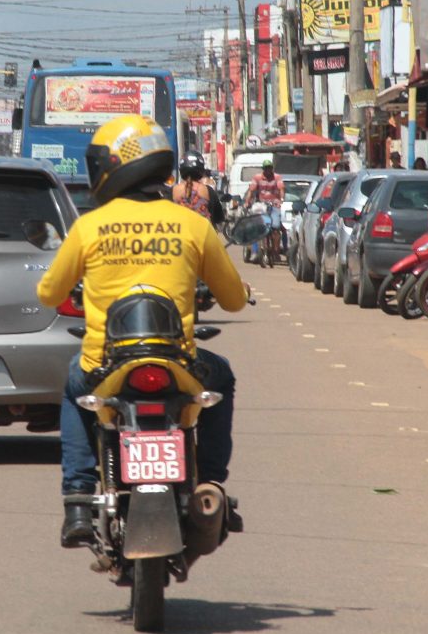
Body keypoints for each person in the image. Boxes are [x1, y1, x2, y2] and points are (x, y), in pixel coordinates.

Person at [36, 115, 250, 547]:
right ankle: (210, 484)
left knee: (73, 388)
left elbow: (48, 293)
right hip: (179, 364)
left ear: (114, 165)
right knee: (221, 375)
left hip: (104, 364)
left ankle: (78, 499)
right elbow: (233, 301)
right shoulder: (192, 224)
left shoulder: (90, 226)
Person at [171, 152, 225, 225]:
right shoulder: (208, 191)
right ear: (201, 170)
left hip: (178, 234)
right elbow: (218, 218)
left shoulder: (173, 190)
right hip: (203, 234)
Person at [246, 160, 285, 261]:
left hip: (274, 205)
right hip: (261, 205)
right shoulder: (257, 178)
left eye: (270, 168)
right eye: (266, 168)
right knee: (256, 227)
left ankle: (276, 252)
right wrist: (247, 201)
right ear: (263, 169)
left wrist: (281, 200)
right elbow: (251, 191)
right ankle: (254, 251)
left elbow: (281, 189)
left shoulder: (277, 177)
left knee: (276, 227)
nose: (268, 170)